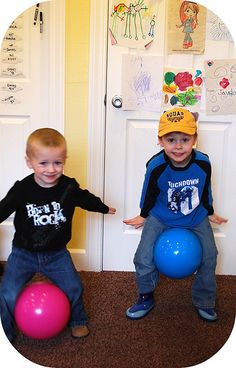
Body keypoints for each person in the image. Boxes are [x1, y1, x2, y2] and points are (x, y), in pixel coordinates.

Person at [0, 128, 116, 342]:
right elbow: (3, 208)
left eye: (58, 163)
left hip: (56, 254)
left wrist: (103, 207)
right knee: (7, 292)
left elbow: (85, 198)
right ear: (29, 162)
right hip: (23, 253)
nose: (51, 169)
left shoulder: (68, 187)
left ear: (64, 160)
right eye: (43, 163)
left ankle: (78, 320)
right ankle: (5, 332)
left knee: (74, 286)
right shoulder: (22, 189)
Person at [124, 107, 228, 322]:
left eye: (185, 139)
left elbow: (205, 188)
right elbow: (148, 192)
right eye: (171, 139)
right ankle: (145, 296)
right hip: (161, 216)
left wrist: (209, 211)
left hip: (195, 217)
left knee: (210, 256)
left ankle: (204, 301)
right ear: (160, 141)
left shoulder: (203, 163)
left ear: (195, 139)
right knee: (143, 257)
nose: (178, 146)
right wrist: (144, 216)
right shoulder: (156, 166)